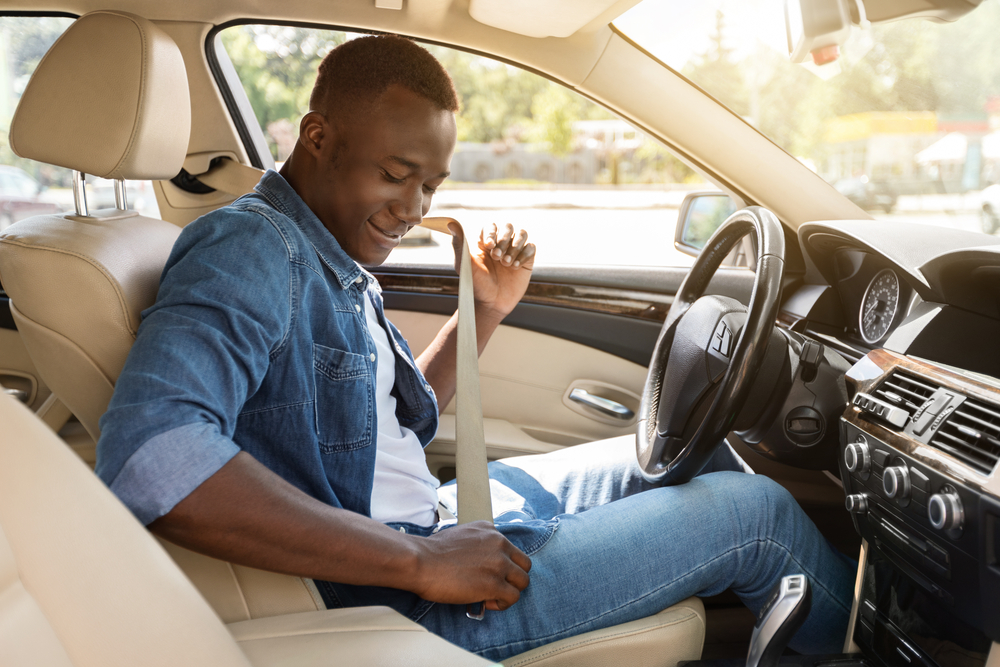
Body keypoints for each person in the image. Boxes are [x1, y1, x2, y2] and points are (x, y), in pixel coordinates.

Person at [96, 34, 854, 663]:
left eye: (431, 183)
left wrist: (485, 311)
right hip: (393, 592)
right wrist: (420, 562)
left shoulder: (324, 251)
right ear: (318, 138)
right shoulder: (254, 248)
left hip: (430, 517)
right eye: (395, 175)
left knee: (689, 454)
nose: (414, 209)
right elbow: (153, 455)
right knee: (755, 512)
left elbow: (391, 433)